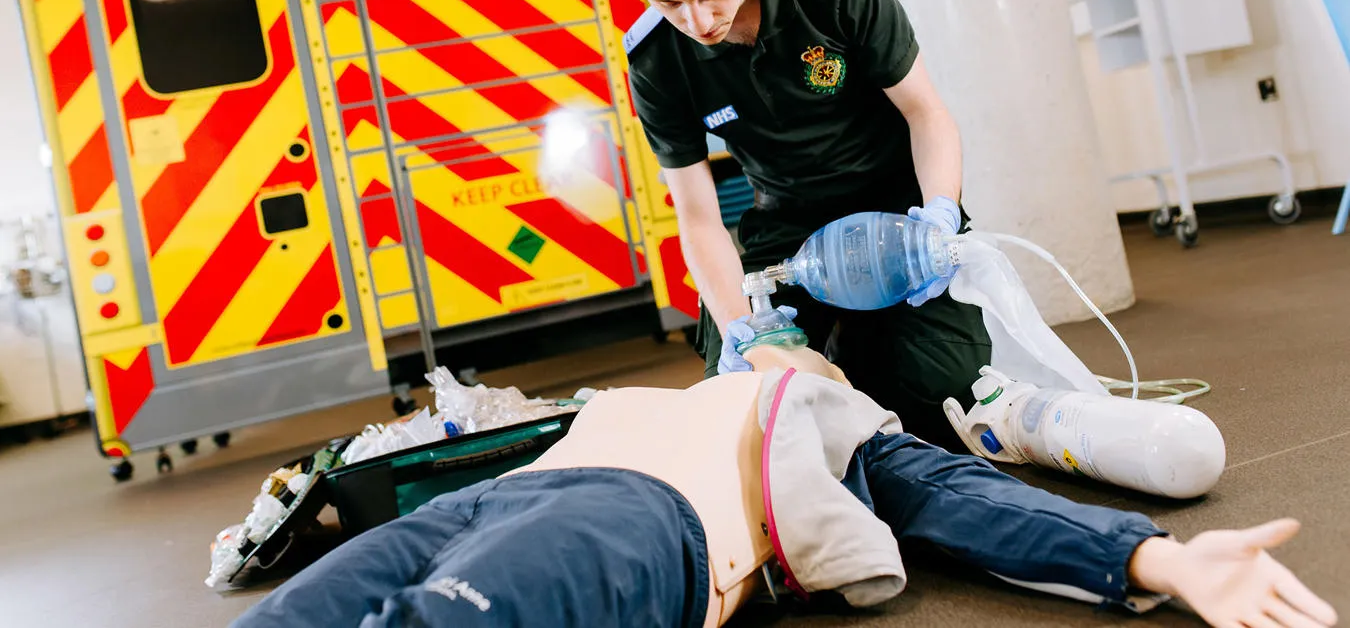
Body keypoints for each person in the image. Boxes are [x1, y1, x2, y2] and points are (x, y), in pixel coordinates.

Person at [230, 344, 1337, 628]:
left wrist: (1156, 557)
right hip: (490, 504)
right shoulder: (663, 393)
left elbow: (971, 504)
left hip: (644, 526)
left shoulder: (842, 425)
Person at [608, 0, 989, 448]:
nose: (698, 23)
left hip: (898, 211)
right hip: (785, 225)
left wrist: (940, 217)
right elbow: (699, 215)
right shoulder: (655, 58)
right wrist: (741, 328)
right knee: (747, 413)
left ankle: (868, 344)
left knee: (940, 404)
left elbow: (927, 113)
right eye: (668, 2)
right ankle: (831, 344)